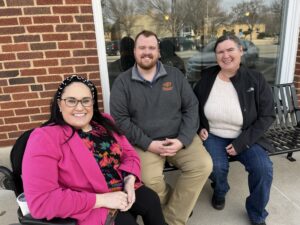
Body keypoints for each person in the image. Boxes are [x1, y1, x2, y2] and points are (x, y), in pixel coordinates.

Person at [22, 75, 166, 225]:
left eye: (86, 100)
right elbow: (41, 202)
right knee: (125, 222)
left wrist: (129, 181)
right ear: (59, 104)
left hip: (121, 186)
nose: (79, 107)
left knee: (151, 201)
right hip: (88, 201)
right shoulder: (44, 138)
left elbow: (129, 154)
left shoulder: (105, 121)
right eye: (71, 101)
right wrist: (101, 199)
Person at [110, 30, 212, 225]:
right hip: (144, 143)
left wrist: (182, 139)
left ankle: (172, 220)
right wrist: (148, 144)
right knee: (148, 180)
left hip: (179, 137)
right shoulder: (122, 83)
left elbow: (191, 107)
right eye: (142, 48)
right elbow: (121, 120)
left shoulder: (175, 75)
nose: (146, 52)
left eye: (151, 48)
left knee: (203, 165)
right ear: (134, 51)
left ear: (158, 51)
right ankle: (179, 204)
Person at [193, 34, 275, 225]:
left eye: (230, 50)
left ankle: (256, 212)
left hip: (246, 135)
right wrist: (199, 127)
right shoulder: (207, 78)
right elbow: (192, 106)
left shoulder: (255, 79)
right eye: (220, 51)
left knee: (263, 169)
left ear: (241, 51)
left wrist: (241, 143)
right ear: (216, 56)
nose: (226, 55)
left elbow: (268, 115)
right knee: (217, 167)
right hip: (213, 134)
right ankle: (220, 190)